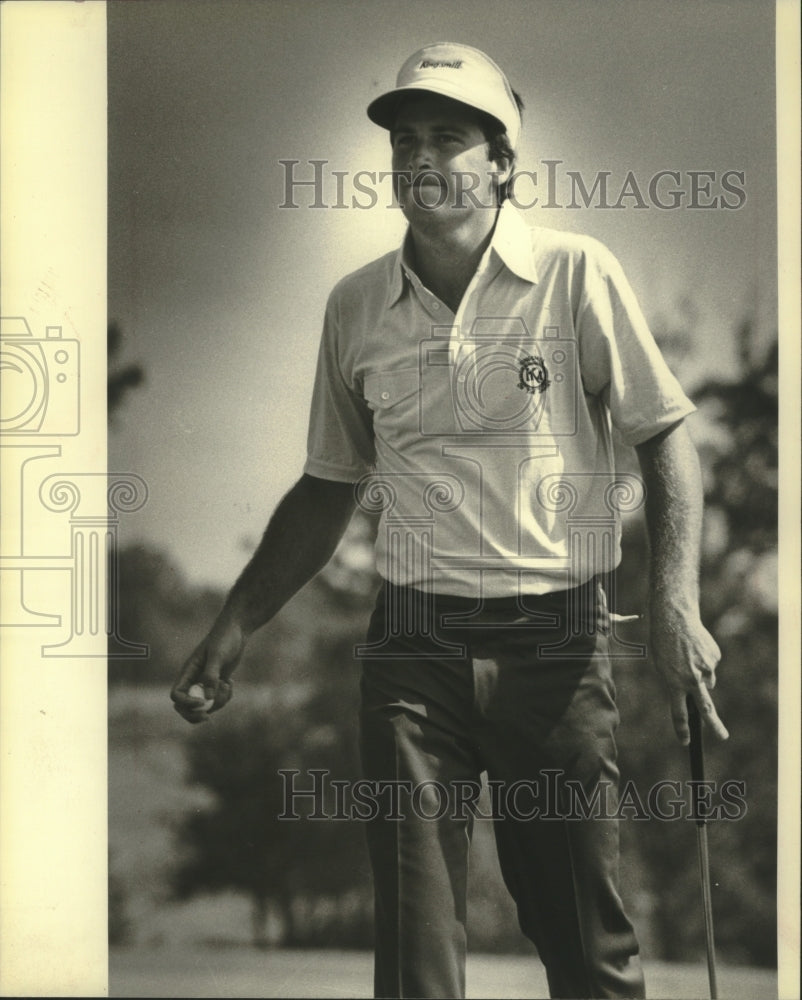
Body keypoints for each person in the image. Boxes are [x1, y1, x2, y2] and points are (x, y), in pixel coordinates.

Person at [171, 42, 728, 1000]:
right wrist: (236, 622)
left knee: (588, 948)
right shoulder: (354, 307)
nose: (421, 156)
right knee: (416, 955)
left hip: (557, 642)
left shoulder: (575, 273)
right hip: (411, 651)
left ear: (503, 163)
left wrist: (674, 599)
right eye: (406, 140)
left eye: (449, 137)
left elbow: (667, 437)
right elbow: (328, 485)